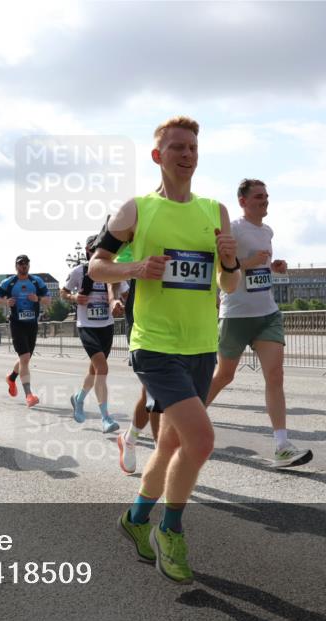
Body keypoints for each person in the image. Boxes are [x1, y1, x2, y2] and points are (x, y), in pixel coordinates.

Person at [89, 116, 240, 584]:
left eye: (193, 146)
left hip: (200, 346)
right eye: (177, 147)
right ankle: (169, 531)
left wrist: (230, 260)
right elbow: (96, 267)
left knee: (173, 441)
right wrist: (135, 269)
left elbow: (229, 283)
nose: (187, 154)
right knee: (202, 440)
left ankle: (134, 519)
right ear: (158, 156)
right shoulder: (136, 210)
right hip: (154, 345)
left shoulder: (214, 212)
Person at [203, 179, 312, 467]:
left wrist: (273, 267)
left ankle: (282, 445)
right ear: (243, 201)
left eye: (266, 196)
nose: (265, 200)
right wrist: (249, 262)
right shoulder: (234, 229)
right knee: (224, 375)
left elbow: (259, 269)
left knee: (275, 376)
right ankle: (189, 420)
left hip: (267, 314)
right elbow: (222, 268)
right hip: (236, 315)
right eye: (258, 196)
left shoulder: (267, 231)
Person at [61, 237, 124, 434]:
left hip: (106, 325)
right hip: (86, 325)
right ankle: (105, 418)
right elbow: (62, 292)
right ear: (89, 251)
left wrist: (119, 303)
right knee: (102, 368)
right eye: (95, 249)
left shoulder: (111, 270)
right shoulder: (79, 271)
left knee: (95, 370)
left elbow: (122, 293)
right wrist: (73, 297)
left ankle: (78, 399)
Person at [116, 242, 159, 474]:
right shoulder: (136, 235)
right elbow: (112, 271)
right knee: (156, 391)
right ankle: (161, 453)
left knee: (150, 391)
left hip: (180, 324)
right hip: (144, 325)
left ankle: (130, 438)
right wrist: (114, 297)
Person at [0, 254, 51, 407]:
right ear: (16, 266)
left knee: (25, 359)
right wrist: (6, 302)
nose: (23, 266)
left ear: (29, 265)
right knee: (25, 357)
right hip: (17, 324)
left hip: (32, 324)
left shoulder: (36, 281)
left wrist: (38, 299)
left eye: (25, 263)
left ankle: (12, 377)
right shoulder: (10, 282)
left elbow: (48, 299)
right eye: (20, 264)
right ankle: (29, 395)